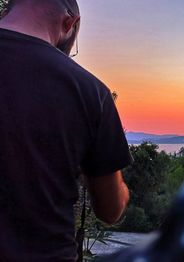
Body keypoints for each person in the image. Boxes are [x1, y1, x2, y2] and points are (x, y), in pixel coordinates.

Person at [0, 0, 132, 261]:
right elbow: (110, 210)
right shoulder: (90, 92)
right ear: (69, 23)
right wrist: (122, 190)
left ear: (8, 9)